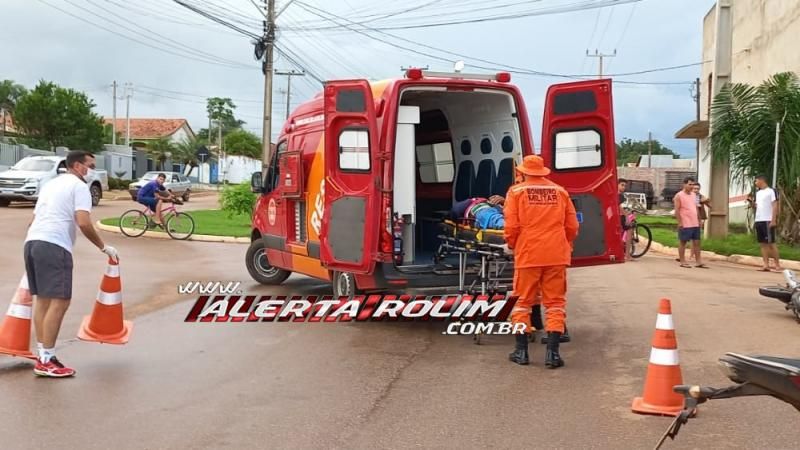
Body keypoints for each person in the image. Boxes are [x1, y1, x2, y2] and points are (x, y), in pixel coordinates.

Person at [23, 151, 119, 377]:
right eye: (90, 165)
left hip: (33, 242)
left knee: (44, 301)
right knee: (60, 301)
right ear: (77, 166)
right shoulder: (79, 187)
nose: (92, 170)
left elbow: (34, 219)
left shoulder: (50, 185)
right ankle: (46, 360)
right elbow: (84, 222)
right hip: (55, 245)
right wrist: (103, 247)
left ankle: (43, 355)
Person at [504, 155, 579, 368]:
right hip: (556, 253)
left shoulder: (516, 192)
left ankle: (521, 352)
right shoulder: (560, 191)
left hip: (529, 253)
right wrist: (566, 243)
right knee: (555, 303)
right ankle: (552, 354)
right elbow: (572, 226)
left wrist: (512, 244)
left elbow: (511, 227)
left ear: (524, 172)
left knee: (522, 303)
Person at [674, 176, 707, 269]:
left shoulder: (694, 195)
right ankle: (683, 261)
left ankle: (698, 261)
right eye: (689, 184)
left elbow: (696, 208)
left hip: (695, 223)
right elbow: (677, 210)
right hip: (685, 223)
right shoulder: (679, 196)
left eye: (693, 184)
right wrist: (680, 222)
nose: (691, 186)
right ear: (684, 184)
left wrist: (699, 220)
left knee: (697, 242)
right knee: (683, 242)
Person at [754, 175, 782, 272]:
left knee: (771, 243)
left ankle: (777, 265)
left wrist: (773, 220)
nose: (755, 183)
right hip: (759, 220)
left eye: (756, 181)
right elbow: (758, 206)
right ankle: (766, 264)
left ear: (762, 180)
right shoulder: (758, 193)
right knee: (762, 243)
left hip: (767, 219)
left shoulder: (771, 191)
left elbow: (775, 205)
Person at [618, 178, 633, 261]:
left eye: (625, 186)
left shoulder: (617, 194)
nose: (623, 187)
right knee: (630, 229)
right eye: (622, 185)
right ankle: (627, 255)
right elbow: (618, 207)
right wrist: (626, 215)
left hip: (616, 216)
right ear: (617, 185)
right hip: (620, 217)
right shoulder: (619, 195)